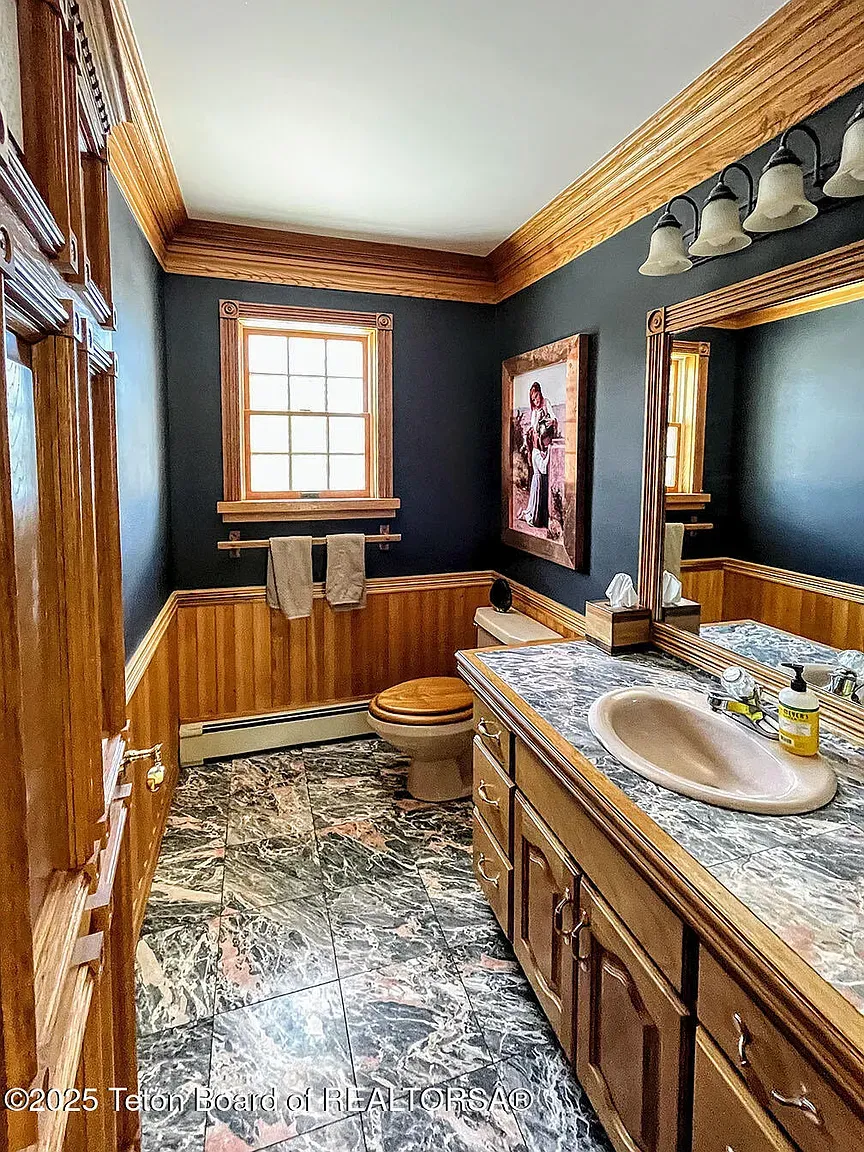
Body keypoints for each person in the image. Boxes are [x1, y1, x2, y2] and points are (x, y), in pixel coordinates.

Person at [519, 381, 558, 529]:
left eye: (537, 397)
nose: (536, 401)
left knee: (542, 478)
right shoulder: (534, 411)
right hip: (537, 446)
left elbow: (553, 418)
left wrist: (547, 424)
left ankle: (539, 516)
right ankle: (532, 514)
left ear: (540, 394)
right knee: (537, 478)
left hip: (544, 442)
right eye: (533, 399)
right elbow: (532, 427)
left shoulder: (546, 403)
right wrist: (528, 437)